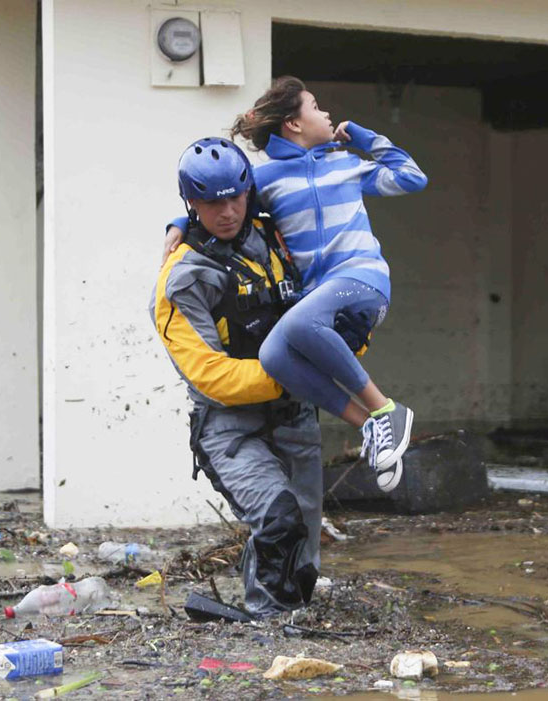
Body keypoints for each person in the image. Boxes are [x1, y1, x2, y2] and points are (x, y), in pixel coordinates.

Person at [164, 77, 428, 493]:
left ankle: (385, 409)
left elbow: (412, 177)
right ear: (294, 124)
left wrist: (361, 136)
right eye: (316, 106)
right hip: (319, 300)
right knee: (274, 355)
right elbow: (221, 196)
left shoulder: (346, 164)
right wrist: (181, 222)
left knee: (299, 326)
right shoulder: (266, 180)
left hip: (363, 279)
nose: (326, 114)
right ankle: (370, 426)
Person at [150, 137, 321, 619]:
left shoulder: (275, 233)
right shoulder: (182, 277)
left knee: (302, 555)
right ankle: (266, 631)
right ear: (190, 201)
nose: (226, 211)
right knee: (278, 518)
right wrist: (298, 378)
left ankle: (288, 615)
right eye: (209, 202)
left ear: (248, 191)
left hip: (293, 414)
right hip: (230, 425)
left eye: (234, 197)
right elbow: (211, 375)